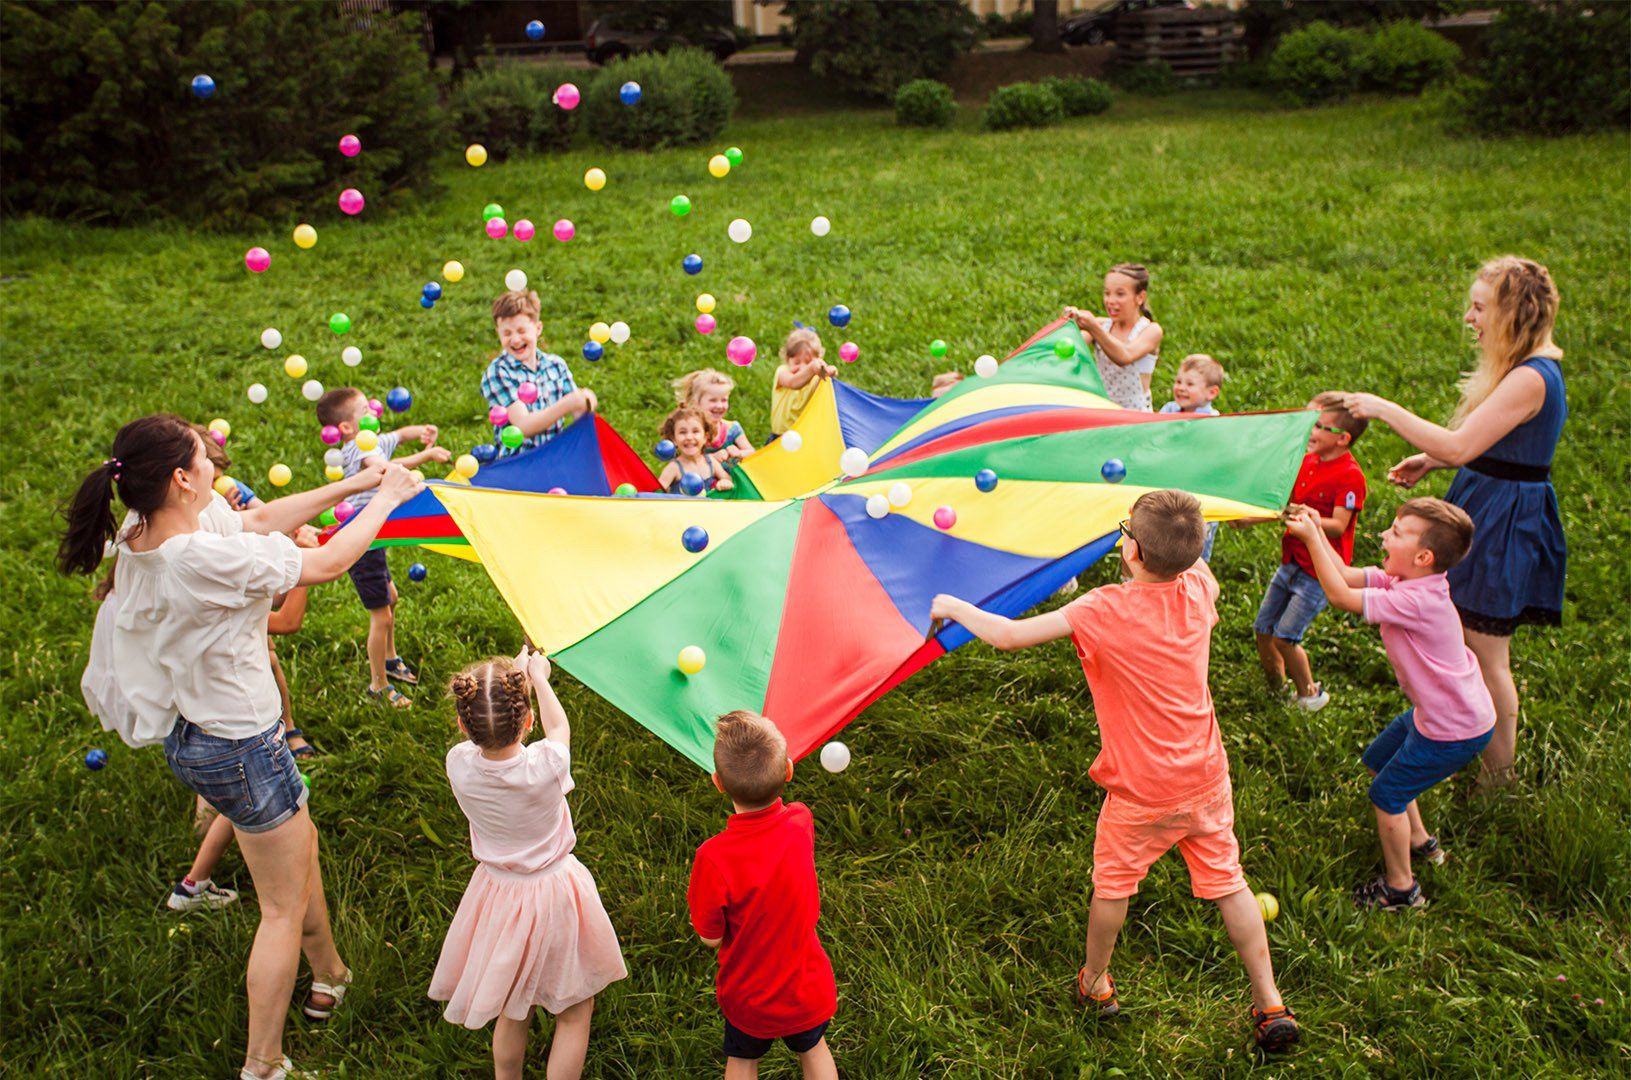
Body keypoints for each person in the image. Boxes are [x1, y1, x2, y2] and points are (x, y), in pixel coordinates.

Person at [57, 413, 423, 1080]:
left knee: (297, 848)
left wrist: (356, 484)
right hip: (243, 746)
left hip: (195, 738)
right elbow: (328, 562)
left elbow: (258, 521)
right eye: (205, 460)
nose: (214, 469)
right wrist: (391, 497)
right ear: (181, 479)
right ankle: (264, 1063)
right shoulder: (201, 558)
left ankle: (330, 974)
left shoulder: (145, 534)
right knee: (279, 906)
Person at [930, 491, 1300, 1052]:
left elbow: (1006, 636)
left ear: (1130, 551)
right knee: (1230, 882)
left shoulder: (1102, 608)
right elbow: (1193, 560)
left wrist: (951, 605)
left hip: (1142, 790)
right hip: (1204, 776)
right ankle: (1270, 1000)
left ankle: (1096, 981)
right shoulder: (1200, 589)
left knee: (1114, 885)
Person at [1339, 256, 1566, 789]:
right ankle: (1463, 734)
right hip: (1488, 499)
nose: (1470, 317)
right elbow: (1491, 444)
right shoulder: (1524, 365)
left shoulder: (1533, 376)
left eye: (1480, 307)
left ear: (1514, 312)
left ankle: (1498, 779)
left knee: (1487, 651)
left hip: (1504, 519)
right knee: (1466, 635)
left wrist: (1384, 408)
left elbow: (1464, 441)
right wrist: (1436, 461)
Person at [1286, 499, 1494, 910]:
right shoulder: (1410, 582)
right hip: (1440, 715)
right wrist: (1316, 529)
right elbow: (1345, 575)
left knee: (1386, 795)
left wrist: (1311, 538)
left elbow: (1341, 596)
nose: (1383, 535)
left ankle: (1401, 889)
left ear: (1423, 556)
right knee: (1380, 760)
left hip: (1453, 729)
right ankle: (1420, 841)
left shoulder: (1419, 601)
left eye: (1396, 532)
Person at [429, 648, 626, 1080]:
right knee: (575, 1009)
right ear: (528, 721)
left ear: (463, 725)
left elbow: (491, 729)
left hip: (499, 895)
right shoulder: (548, 765)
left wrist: (510, 679)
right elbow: (559, 726)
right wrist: (538, 676)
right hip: (555, 894)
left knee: (514, 1005)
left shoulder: (458, 764)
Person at [688, 711, 839, 1079]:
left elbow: (710, 938)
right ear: (788, 770)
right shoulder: (801, 821)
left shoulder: (714, 856)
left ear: (718, 783)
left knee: (742, 1061)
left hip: (750, 996)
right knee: (814, 1049)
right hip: (805, 988)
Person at [315, 387, 451, 708]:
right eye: (364, 409)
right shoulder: (355, 450)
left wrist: (420, 436)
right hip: (360, 542)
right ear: (347, 428)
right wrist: (415, 475)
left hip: (375, 538)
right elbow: (383, 466)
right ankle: (379, 685)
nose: (373, 412)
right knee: (381, 616)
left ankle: (390, 658)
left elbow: (397, 438)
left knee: (392, 598)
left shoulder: (371, 439)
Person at [1244, 393, 1368, 711]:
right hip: (1292, 561)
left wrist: (1309, 517)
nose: (1310, 431)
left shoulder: (1350, 476)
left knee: (1286, 637)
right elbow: (1287, 506)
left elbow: (1340, 525)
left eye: (1319, 426)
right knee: (1263, 629)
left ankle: (1308, 695)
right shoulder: (1307, 461)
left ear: (1342, 439)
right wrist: (1252, 515)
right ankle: (1277, 690)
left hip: (1318, 572)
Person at [481, 289, 598, 457]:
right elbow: (523, 426)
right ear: (497, 333)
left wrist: (587, 402)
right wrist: (568, 403)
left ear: (538, 328)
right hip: (517, 466)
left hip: (555, 459)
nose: (515, 340)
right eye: (507, 333)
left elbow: (579, 411)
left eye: (521, 331)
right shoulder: (498, 372)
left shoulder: (556, 366)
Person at [1063, 263, 1164, 412]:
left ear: (1140, 297)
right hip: (1104, 411)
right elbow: (1070, 346)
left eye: (1120, 294)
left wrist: (1093, 326)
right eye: (1107, 293)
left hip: (1136, 417)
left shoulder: (1150, 331)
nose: (1110, 300)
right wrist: (1068, 325)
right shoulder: (1101, 326)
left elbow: (1125, 356)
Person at [674, 368, 754, 462]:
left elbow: (752, 452)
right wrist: (712, 458)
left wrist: (739, 453)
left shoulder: (732, 429)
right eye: (713, 400)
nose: (719, 406)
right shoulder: (691, 433)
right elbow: (685, 461)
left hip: (731, 476)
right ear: (696, 403)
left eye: (724, 400)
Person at [771, 328, 837, 436]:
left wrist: (829, 372)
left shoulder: (814, 379)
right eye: (797, 362)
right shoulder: (782, 372)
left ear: (818, 359)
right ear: (788, 359)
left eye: (808, 362)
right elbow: (793, 383)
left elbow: (821, 388)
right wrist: (811, 367)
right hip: (779, 436)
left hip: (803, 437)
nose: (802, 367)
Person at [658, 407, 734, 495]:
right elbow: (656, 492)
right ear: (674, 439)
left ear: (705, 437)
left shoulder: (710, 462)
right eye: (683, 432)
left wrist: (725, 482)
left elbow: (728, 479)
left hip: (708, 508)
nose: (689, 437)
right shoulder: (674, 468)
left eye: (695, 431)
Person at [1159, 354, 1225, 416]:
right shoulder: (1169, 410)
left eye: (1190, 384)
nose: (1181, 388)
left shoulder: (1212, 418)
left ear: (1211, 392)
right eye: (1178, 382)